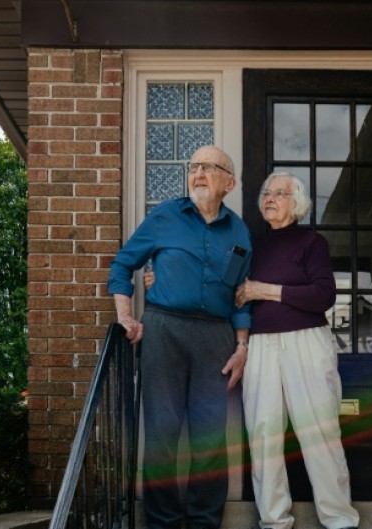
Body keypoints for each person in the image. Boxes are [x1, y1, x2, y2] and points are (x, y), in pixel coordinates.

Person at [107, 145, 251, 529]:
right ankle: (163, 523)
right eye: (194, 166)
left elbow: (240, 297)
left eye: (209, 167)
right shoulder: (165, 216)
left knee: (210, 440)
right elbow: (123, 264)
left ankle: (204, 522)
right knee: (161, 436)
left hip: (215, 339)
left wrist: (241, 347)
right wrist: (125, 315)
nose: (199, 173)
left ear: (229, 181)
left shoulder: (239, 231)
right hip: (164, 331)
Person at [235, 171, 359, 529]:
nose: (270, 198)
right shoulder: (250, 244)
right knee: (263, 433)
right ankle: (274, 521)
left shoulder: (311, 243)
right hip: (260, 344)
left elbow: (324, 295)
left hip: (307, 340)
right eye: (266, 192)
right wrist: (161, 279)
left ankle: (339, 520)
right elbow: (232, 289)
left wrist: (266, 291)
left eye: (280, 193)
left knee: (319, 431)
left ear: (298, 202)